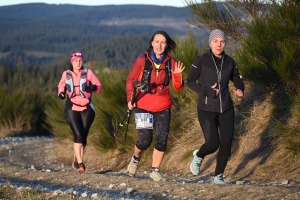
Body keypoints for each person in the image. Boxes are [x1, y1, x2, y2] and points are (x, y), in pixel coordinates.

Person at [186, 29, 244, 184]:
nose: (219, 45)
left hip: (226, 107)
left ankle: (218, 176)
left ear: (225, 43)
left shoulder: (230, 62)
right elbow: (189, 82)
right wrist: (207, 91)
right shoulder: (201, 61)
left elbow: (237, 79)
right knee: (213, 144)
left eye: (222, 41)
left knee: (226, 142)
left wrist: (240, 89)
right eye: (215, 41)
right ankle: (199, 155)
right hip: (206, 109)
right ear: (210, 43)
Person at [126, 30, 185, 181]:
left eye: (163, 42)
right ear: (151, 43)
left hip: (163, 105)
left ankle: (155, 170)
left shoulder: (171, 62)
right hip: (143, 104)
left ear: (166, 45)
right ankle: (135, 158)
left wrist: (177, 76)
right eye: (157, 41)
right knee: (145, 140)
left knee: (162, 139)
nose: (159, 45)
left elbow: (178, 88)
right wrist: (129, 99)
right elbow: (130, 79)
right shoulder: (142, 60)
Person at [57, 51, 101, 173]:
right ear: (72, 62)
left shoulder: (88, 73)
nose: (78, 62)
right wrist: (61, 93)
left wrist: (93, 87)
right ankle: (80, 164)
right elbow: (61, 86)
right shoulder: (66, 74)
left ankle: (77, 157)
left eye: (80, 60)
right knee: (78, 134)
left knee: (84, 136)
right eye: (76, 60)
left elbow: (98, 85)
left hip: (87, 107)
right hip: (71, 107)